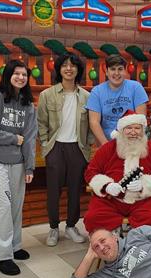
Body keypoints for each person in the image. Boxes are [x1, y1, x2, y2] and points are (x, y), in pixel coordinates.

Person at [0, 59, 37, 276]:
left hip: (18, 163)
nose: (21, 77)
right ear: (8, 74)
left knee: (15, 206)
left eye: (25, 75)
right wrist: (14, 139)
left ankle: (14, 246)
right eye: (17, 73)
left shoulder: (28, 104)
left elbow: (30, 138)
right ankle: (2, 256)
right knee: (1, 208)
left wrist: (30, 167)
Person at [37, 52, 92, 247]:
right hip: (55, 148)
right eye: (64, 65)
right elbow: (41, 124)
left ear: (78, 70)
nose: (69, 69)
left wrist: (88, 145)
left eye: (73, 65)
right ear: (59, 70)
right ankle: (53, 228)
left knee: (75, 190)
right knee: (54, 191)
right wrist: (46, 145)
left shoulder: (87, 96)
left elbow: (92, 125)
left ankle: (71, 226)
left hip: (78, 148)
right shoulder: (47, 94)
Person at [84, 111, 151, 233]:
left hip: (142, 200)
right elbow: (90, 172)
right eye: (129, 128)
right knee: (93, 217)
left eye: (137, 128)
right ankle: (109, 243)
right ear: (121, 130)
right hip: (111, 199)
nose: (133, 132)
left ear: (142, 130)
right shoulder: (107, 149)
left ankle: (138, 245)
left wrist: (144, 185)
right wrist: (107, 186)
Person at [87, 54, 149, 145]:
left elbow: (140, 119)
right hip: (106, 142)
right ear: (107, 72)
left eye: (120, 69)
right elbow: (94, 122)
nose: (116, 73)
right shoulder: (97, 91)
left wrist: (131, 143)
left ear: (125, 71)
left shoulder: (136, 87)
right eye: (112, 69)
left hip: (132, 143)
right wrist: (106, 145)